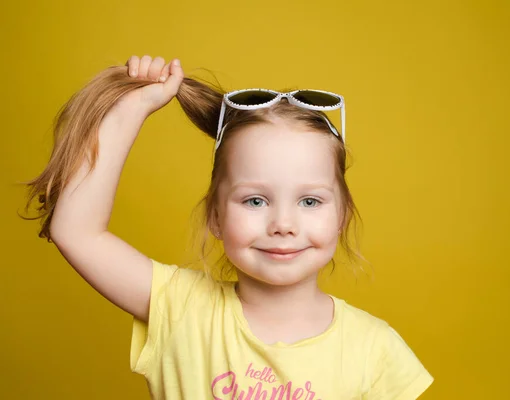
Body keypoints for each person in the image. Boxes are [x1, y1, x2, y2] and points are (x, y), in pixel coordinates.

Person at [22, 55, 434, 399]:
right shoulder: (180, 310)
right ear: (215, 216)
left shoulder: (376, 351)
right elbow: (76, 231)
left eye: (310, 201)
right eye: (255, 200)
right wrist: (135, 105)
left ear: (342, 215)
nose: (283, 224)